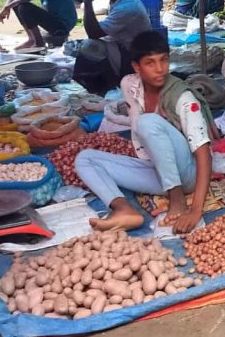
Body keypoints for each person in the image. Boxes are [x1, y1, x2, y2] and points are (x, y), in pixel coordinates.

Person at [75, 30, 213, 234]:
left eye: (164, 60)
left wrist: (196, 210)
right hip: (157, 170)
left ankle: (177, 200)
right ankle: (124, 210)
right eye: (150, 63)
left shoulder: (182, 97)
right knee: (85, 159)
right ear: (136, 67)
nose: (160, 69)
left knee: (146, 123)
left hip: (186, 172)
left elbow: (204, 155)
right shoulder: (129, 85)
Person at [75, 0, 152, 94]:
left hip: (136, 56)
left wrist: (88, 3)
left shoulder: (127, 7)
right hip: (126, 47)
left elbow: (93, 33)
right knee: (86, 47)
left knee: (90, 46)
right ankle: (99, 84)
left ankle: (107, 85)